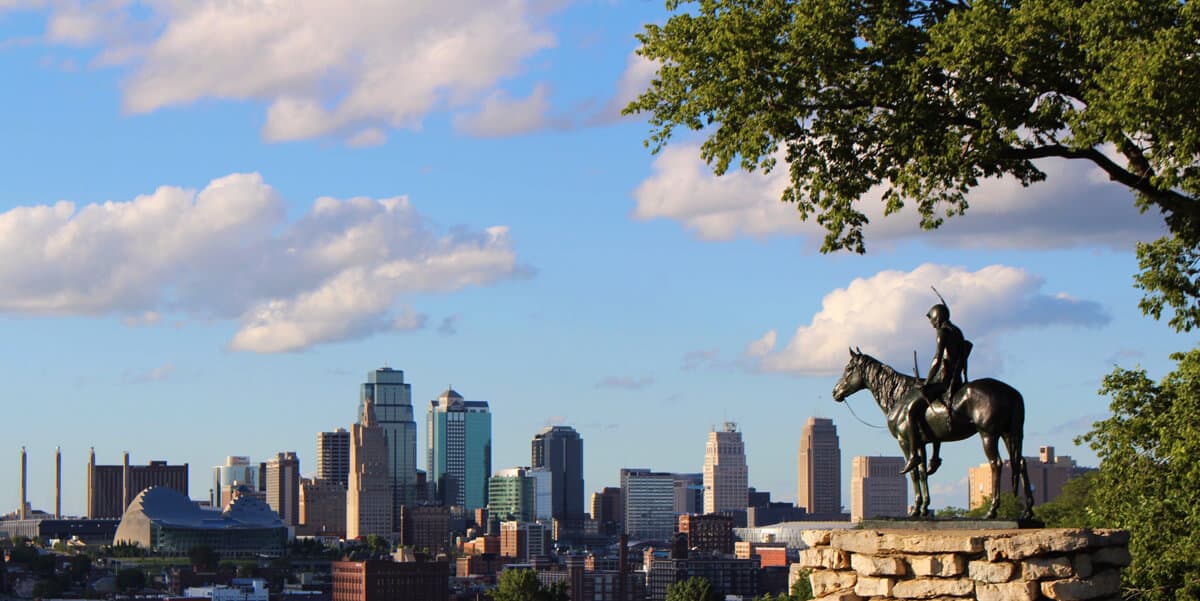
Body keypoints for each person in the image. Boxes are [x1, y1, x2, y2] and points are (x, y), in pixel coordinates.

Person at [900, 302, 973, 475]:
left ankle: (913, 456)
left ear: (938, 317)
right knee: (932, 412)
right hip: (957, 380)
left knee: (912, 411)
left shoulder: (943, 332)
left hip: (944, 381)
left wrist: (927, 381)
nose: (932, 324)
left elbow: (937, 359)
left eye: (932, 320)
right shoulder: (957, 331)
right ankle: (935, 457)